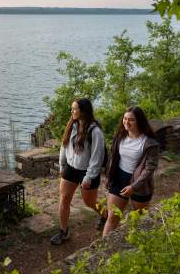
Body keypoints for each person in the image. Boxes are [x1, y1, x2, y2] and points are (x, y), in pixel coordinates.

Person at [51, 98, 107, 245]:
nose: (72, 111)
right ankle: (64, 231)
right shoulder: (73, 125)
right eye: (72, 108)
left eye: (74, 109)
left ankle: (105, 214)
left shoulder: (95, 132)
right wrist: (62, 165)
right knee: (64, 199)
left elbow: (97, 157)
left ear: (83, 111)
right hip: (70, 168)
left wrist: (88, 177)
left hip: (87, 172)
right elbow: (64, 146)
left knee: (89, 202)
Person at [102, 106, 160, 237]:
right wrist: (109, 176)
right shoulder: (120, 136)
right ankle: (104, 252)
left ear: (139, 121)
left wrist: (134, 187)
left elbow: (150, 168)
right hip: (119, 179)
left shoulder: (150, 143)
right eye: (125, 118)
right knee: (112, 218)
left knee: (140, 219)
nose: (126, 122)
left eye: (131, 120)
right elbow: (113, 158)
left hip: (140, 184)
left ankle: (141, 248)